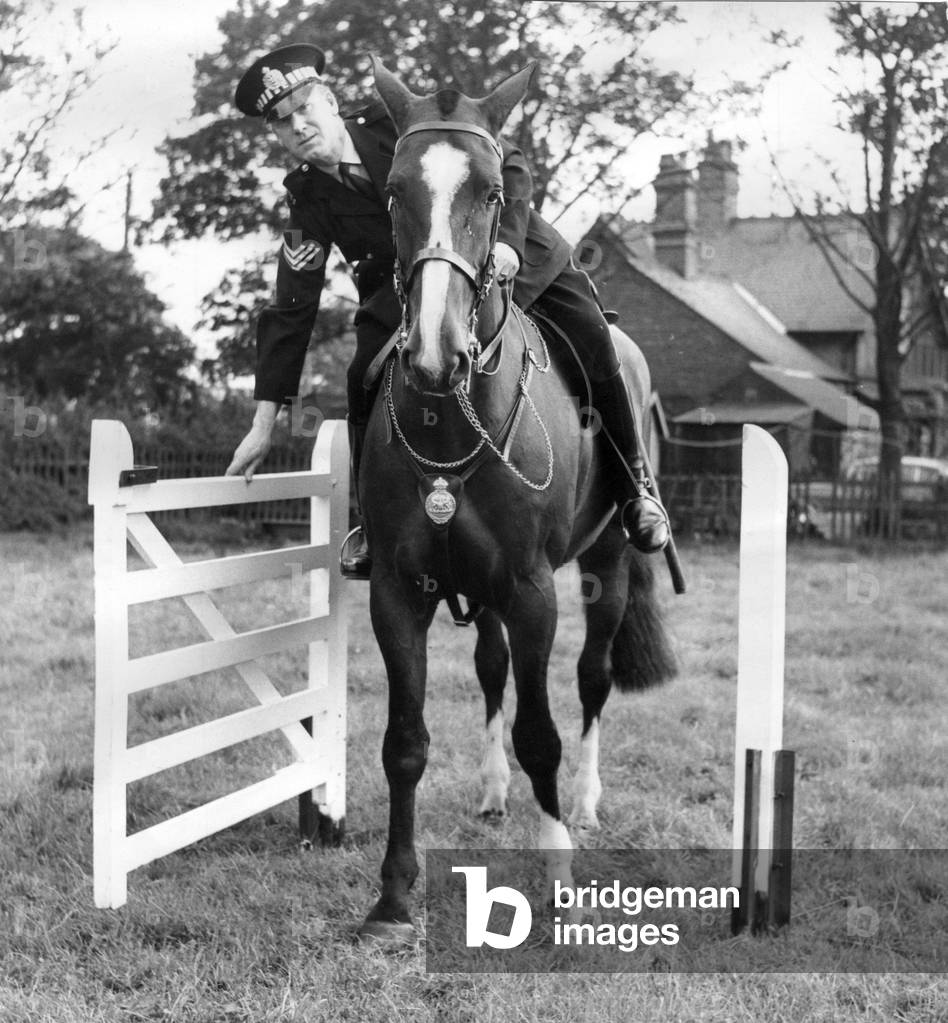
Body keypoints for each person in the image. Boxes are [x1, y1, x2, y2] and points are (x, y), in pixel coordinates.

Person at [227, 44, 669, 577]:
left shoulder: (401, 126)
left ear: (330, 99)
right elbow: (291, 308)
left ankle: (635, 489)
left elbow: (509, 163)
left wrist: (505, 242)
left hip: (510, 253)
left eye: (305, 109)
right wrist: (264, 420)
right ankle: (372, 525)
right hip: (405, 293)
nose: (297, 127)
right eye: (282, 122)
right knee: (360, 377)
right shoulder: (306, 200)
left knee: (593, 336)